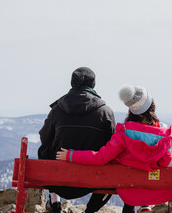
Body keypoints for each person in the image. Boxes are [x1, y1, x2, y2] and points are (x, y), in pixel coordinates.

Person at [56, 84, 172, 213]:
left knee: (112, 176)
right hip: (151, 188)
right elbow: (165, 161)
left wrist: (71, 155)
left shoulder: (123, 133)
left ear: (131, 110)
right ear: (151, 105)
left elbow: (100, 157)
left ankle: (90, 211)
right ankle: (144, 206)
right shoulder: (164, 134)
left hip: (126, 188)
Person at [38, 67, 115, 213]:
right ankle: (90, 210)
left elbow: (44, 138)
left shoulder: (57, 109)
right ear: (93, 84)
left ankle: (54, 201)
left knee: (44, 150)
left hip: (58, 179)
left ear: (72, 83)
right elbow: (112, 145)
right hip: (94, 179)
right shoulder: (105, 112)